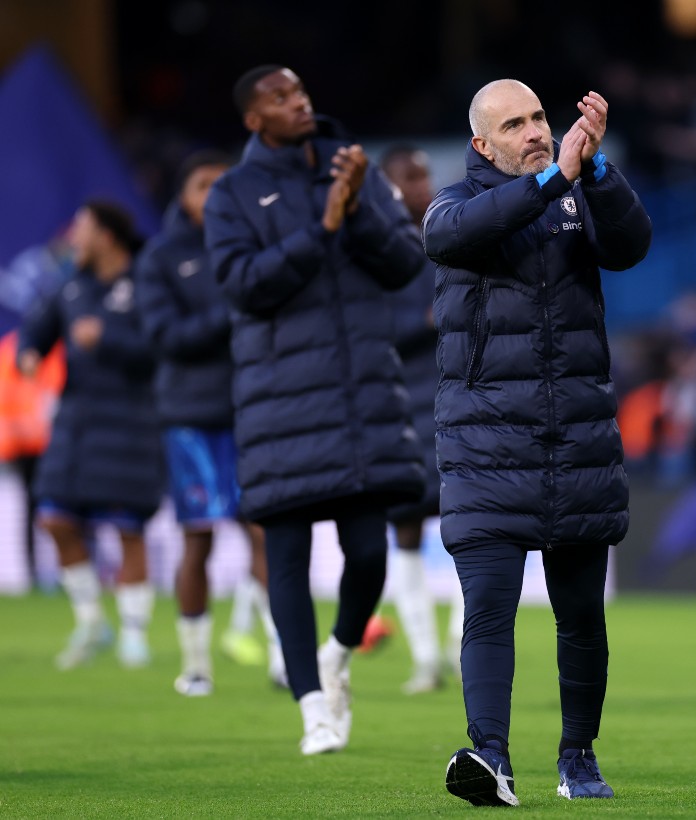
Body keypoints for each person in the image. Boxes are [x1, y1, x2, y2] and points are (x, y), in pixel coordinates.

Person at [425, 79, 652, 806]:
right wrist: (559, 176)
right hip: (486, 453)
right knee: (488, 611)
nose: (534, 132)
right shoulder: (453, 208)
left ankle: (578, 756)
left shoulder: (579, 196)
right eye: (514, 124)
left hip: (576, 446)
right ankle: (489, 755)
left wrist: (600, 170)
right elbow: (457, 235)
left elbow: (631, 244)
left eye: (540, 119)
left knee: (582, 615)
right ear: (480, 146)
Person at [204, 65, 428, 755]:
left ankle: (337, 654)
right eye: (279, 97)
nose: (297, 102)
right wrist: (321, 228)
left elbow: (405, 265)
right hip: (279, 405)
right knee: (289, 560)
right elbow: (243, 287)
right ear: (253, 120)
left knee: (368, 554)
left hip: (361, 397)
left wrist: (355, 207)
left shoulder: (351, 168)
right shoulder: (232, 194)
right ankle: (312, 710)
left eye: (299, 91)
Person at [136, 150, 286, 697]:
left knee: (266, 535)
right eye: (203, 184)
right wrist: (232, 310)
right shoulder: (161, 257)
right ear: (184, 195)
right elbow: (164, 336)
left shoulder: (256, 250)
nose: (214, 192)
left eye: (224, 183)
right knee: (197, 538)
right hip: (192, 419)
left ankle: (281, 658)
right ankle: (196, 665)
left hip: (254, 411)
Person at [17, 200, 163, 670]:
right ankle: (89, 622)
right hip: (77, 421)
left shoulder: (148, 281)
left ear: (106, 235)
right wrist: (29, 353)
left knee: (128, 528)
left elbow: (165, 348)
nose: (72, 237)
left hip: (133, 418)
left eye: (81, 228)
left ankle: (135, 634)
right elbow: (37, 328)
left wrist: (108, 340)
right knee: (55, 519)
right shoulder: (71, 284)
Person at [373, 144, 464, 694]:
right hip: (398, 405)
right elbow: (372, 328)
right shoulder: (374, 252)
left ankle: (457, 646)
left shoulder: (451, 234)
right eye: (409, 176)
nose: (421, 183)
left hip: (455, 403)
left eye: (425, 173)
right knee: (404, 530)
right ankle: (425, 659)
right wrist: (427, 319)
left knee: (467, 523)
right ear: (385, 187)